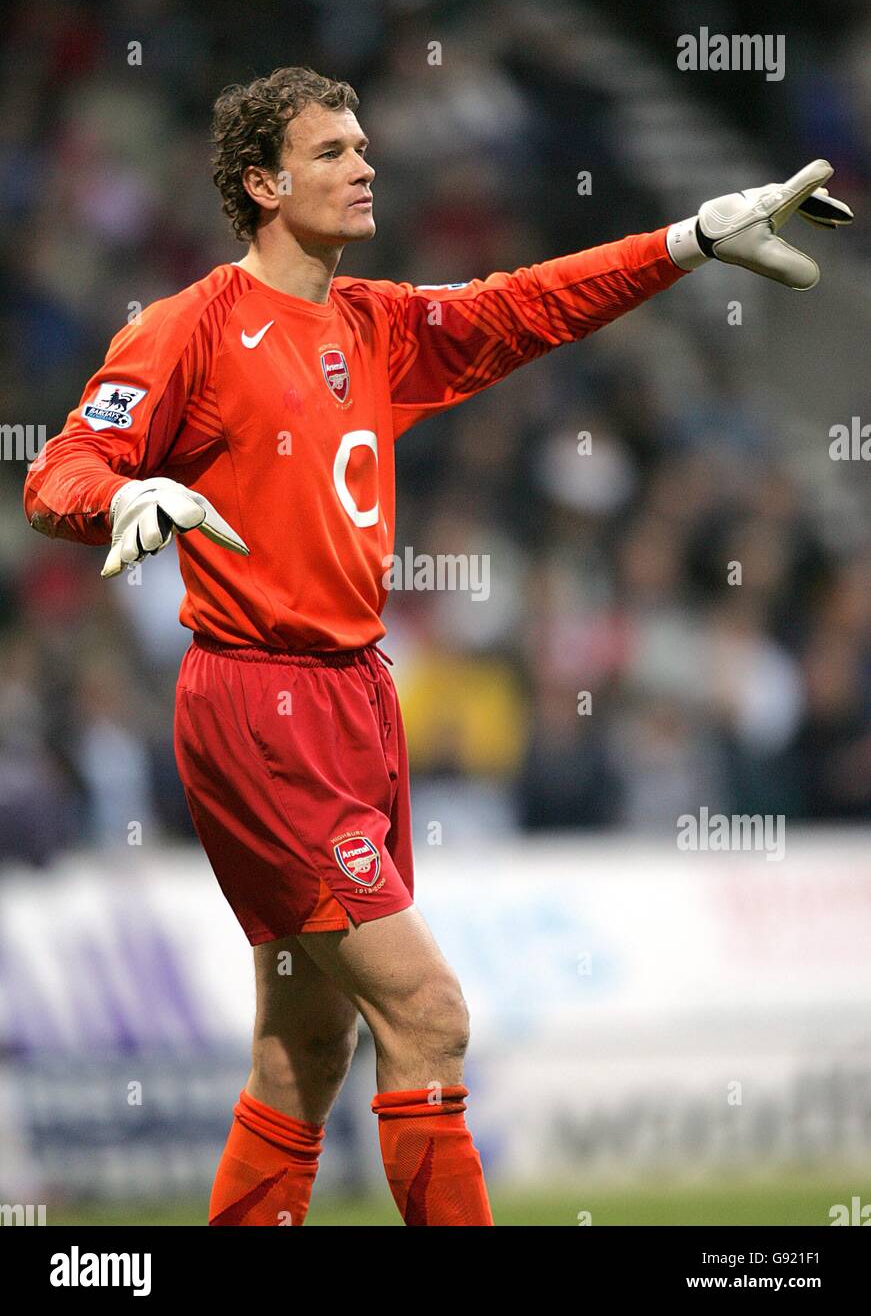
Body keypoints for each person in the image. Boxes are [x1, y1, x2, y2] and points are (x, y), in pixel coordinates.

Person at [22, 64, 850, 1226]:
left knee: (303, 1050)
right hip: (262, 705)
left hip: (357, 695)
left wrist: (688, 240)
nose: (365, 164)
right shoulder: (191, 328)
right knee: (428, 1013)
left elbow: (523, 305)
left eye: (364, 145)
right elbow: (57, 467)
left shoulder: (368, 324)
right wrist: (116, 501)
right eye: (331, 152)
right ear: (261, 183)